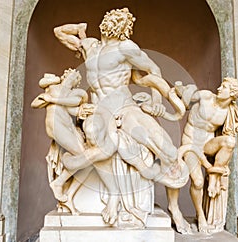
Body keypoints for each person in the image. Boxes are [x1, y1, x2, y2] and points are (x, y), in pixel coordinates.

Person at [53, 8, 189, 223]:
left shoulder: (126, 47)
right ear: (105, 22)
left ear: (127, 29)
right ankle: (110, 195)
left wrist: (155, 101)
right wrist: (79, 29)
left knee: (167, 148)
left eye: (123, 21)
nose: (118, 22)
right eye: (115, 18)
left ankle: (174, 207)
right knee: (92, 132)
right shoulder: (90, 46)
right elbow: (59, 32)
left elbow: (153, 70)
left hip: (124, 106)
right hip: (99, 109)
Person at [166, 77, 238, 233]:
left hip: (208, 145)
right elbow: (186, 100)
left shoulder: (229, 112)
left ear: (232, 94)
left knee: (229, 141)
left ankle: (214, 176)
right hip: (191, 144)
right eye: (221, 85)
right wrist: (182, 91)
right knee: (198, 182)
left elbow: (228, 134)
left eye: (225, 87)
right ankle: (200, 214)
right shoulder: (206, 96)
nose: (220, 89)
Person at [31, 69, 93, 214]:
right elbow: (34, 104)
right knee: (86, 159)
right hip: (56, 126)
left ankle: (68, 197)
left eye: (76, 77)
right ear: (65, 76)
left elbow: (74, 105)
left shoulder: (76, 94)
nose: (73, 77)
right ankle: (58, 184)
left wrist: (52, 100)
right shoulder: (53, 88)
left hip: (66, 129)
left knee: (88, 162)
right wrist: (47, 97)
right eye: (72, 74)